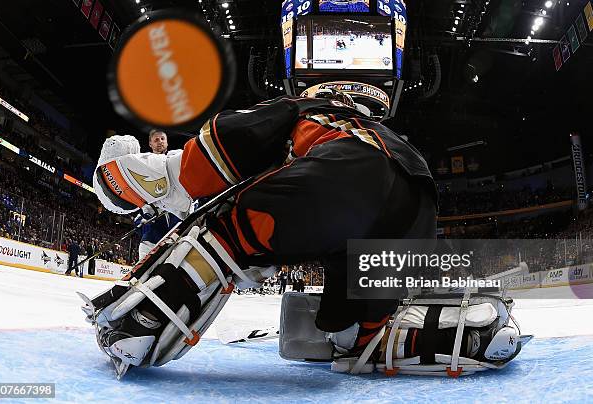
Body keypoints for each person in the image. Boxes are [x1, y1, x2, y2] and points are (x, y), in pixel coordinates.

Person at [84, 92, 526, 378]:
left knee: (226, 229)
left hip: (344, 177)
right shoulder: (393, 136)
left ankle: (137, 326)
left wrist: (135, 175)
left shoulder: (307, 111)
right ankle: (451, 334)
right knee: (357, 339)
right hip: (421, 211)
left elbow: (213, 155)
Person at [134, 129, 181, 260]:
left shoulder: (176, 158)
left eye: (162, 139)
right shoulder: (143, 164)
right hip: (154, 228)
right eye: (156, 140)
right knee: (144, 266)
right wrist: (144, 215)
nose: (160, 142)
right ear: (150, 144)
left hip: (176, 223)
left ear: (167, 142)